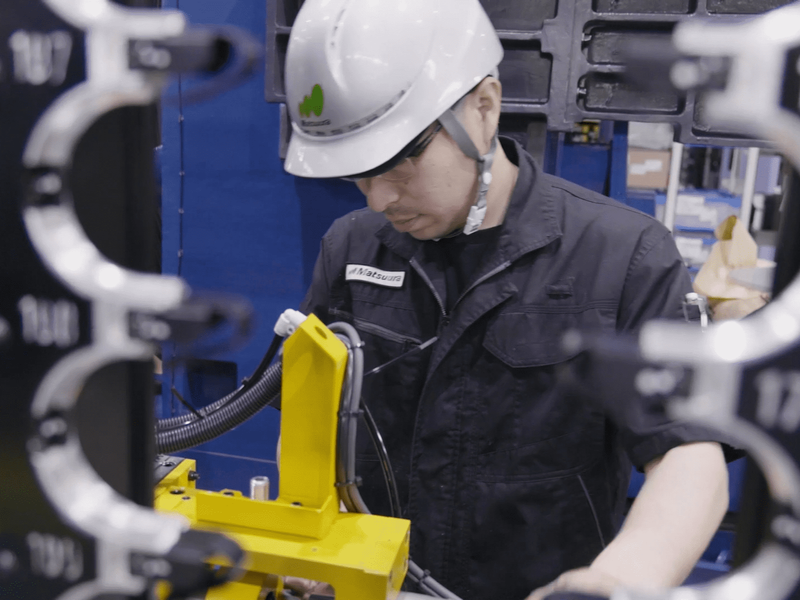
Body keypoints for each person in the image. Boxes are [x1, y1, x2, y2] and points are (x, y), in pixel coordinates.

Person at [282, 1, 730, 599]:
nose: (379, 199)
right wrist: (308, 536)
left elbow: (687, 452)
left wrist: (616, 581)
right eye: (356, 173)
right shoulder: (352, 246)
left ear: (483, 108)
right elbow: (309, 417)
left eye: (398, 162)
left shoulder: (624, 255)